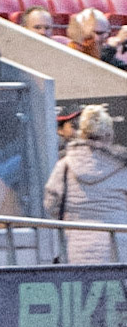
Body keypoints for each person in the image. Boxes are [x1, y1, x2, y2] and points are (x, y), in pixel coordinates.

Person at [44, 103, 127, 262]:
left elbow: (50, 204)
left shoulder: (65, 166)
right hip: (119, 250)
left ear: (81, 133)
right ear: (109, 134)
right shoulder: (123, 168)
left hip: (75, 250)